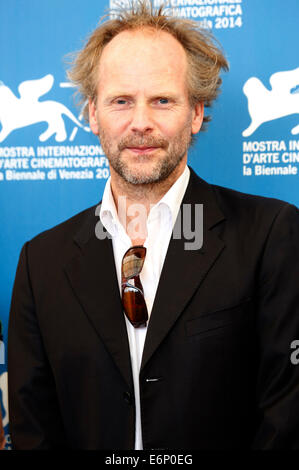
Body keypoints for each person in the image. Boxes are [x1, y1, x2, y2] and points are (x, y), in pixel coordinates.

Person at [8, 1, 299, 450]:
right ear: (92, 114)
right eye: (121, 101)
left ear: (196, 113)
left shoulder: (270, 234)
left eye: (162, 100)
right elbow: (33, 429)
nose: (140, 122)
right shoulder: (40, 262)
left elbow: (287, 415)